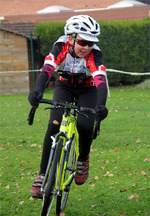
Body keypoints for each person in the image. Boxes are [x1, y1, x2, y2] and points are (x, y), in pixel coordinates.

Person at [28, 15, 108, 199]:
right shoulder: (60, 47)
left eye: (91, 43)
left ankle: (83, 159)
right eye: (82, 41)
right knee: (54, 123)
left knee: (85, 124)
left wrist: (101, 105)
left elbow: (100, 80)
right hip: (64, 86)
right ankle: (42, 175)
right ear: (71, 38)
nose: (87, 47)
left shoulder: (94, 54)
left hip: (88, 89)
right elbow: (47, 69)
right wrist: (37, 91)